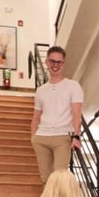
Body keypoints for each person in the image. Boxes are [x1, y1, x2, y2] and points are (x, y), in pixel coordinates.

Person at [31, 46, 83, 182]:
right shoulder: (41, 90)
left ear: (63, 63)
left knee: (60, 180)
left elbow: (77, 113)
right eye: (52, 61)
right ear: (47, 62)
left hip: (62, 138)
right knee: (45, 180)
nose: (55, 65)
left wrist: (76, 136)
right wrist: (33, 137)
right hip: (41, 138)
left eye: (59, 62)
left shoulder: (73, 86)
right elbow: (36, 117)